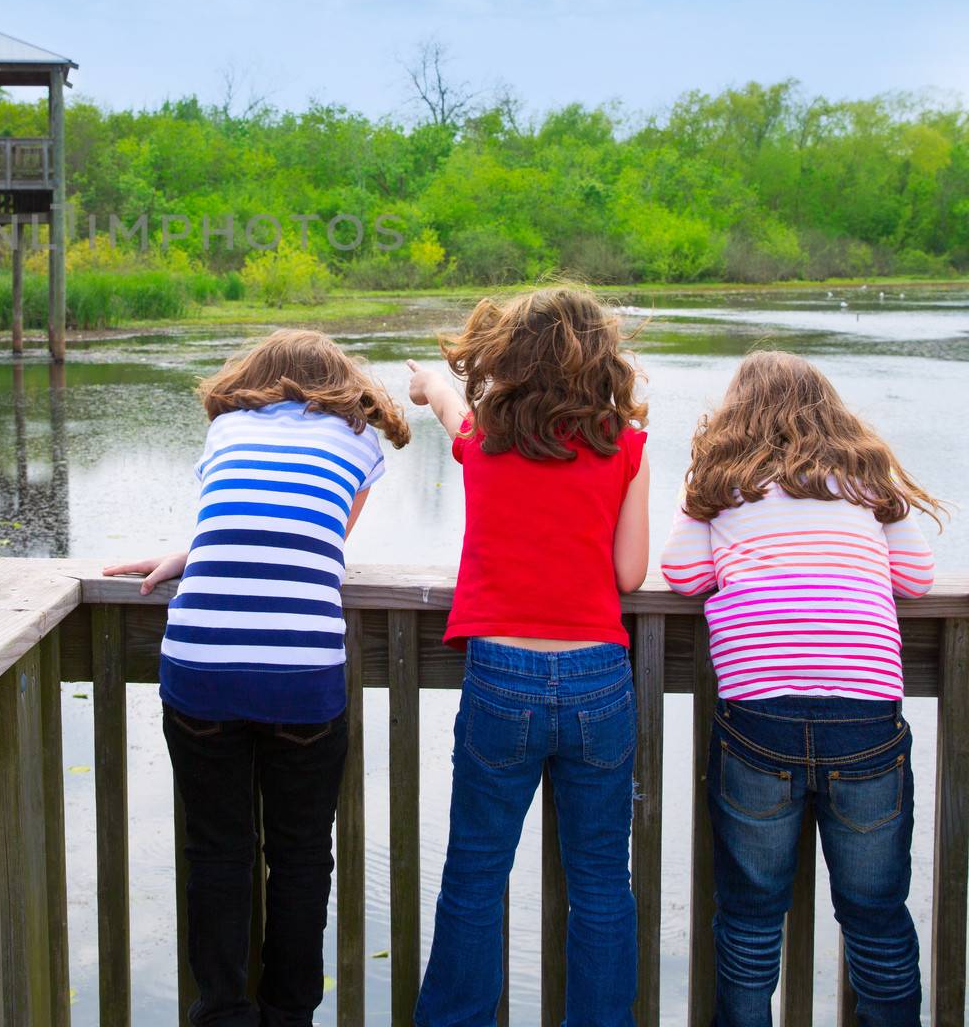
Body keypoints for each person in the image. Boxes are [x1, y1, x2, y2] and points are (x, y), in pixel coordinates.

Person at [104, 328, 409, 1026]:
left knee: (216, 850)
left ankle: (220, 1010)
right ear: (341, 383)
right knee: (301, 858)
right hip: (300, 673)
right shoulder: (358, 440)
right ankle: (289, 1014)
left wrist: (191, 554)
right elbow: (324, 537)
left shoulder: (228, 428)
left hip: (201, 662)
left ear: (255, 377)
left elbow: (235, 524)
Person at [662, 350, 941, 1026]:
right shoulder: (868, 478)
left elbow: (681, 575)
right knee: (874, 915)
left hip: (758, 721)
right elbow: (917, 578)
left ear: (737, 413)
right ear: (830, 410)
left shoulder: (720, 482)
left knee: (752, 920)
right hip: (866, 724)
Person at [408, 285, 650, 1027]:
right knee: (603, 883)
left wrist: (432, 385)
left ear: (509, 359)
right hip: (597, 678)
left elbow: (454, 412)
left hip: (502, 675)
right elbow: (631, 577)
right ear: (600, 361)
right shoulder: (624, 446)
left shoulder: (485, 441)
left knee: (476, 876)